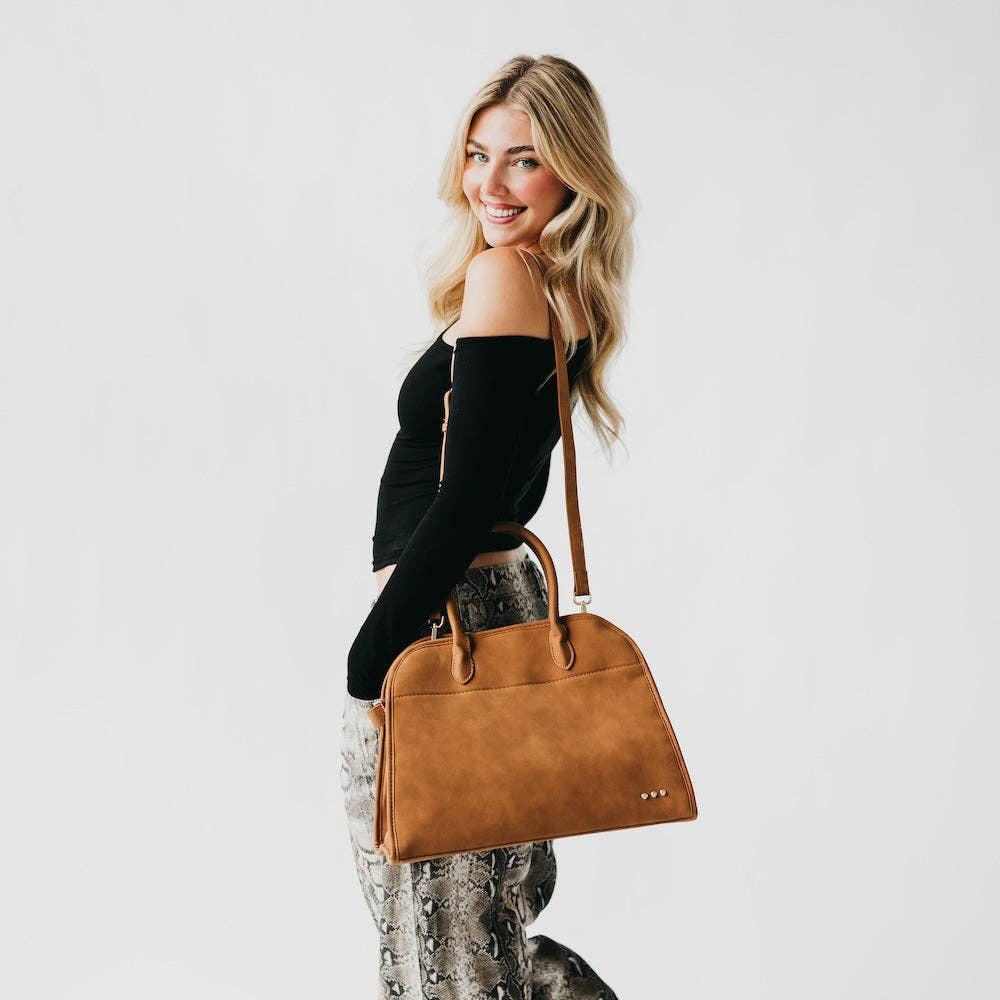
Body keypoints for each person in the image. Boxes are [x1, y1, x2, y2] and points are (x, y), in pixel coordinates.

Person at [340, 53, 634, 999]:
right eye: (478, 155)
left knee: (444, 943)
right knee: (486, 919)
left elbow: (467, 500)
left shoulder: (507, 276)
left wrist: (370, 656)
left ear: (571, 170)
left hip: (447, 612)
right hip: (494, 601)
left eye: (524, 160)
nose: (491, 184)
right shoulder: (562, 280)